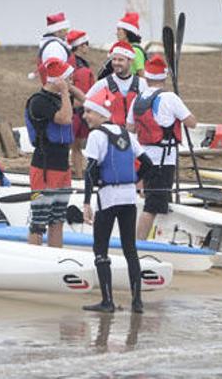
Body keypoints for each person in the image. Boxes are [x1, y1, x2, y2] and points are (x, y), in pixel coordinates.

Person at [81, 90, 153, 314]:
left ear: (102, 114)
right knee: (129, 249)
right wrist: (135, 181)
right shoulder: (127, 134)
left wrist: (86, 202)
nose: (85, 116)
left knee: (100, 248)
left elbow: (90, 171)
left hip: (109, 198)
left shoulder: (96, 136)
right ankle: (137, 302)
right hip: (128, 197)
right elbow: (148, 163)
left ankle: (107, 302)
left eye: (89, 112)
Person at [128, 55, 197, 240]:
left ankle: (159, 237)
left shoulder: (138, 98)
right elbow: (192, 123)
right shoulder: (170, 97)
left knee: (157, 201)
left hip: (144, 157)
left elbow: (130, 127)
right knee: (152, 206)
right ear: (164, 77)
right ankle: (138, 243)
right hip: (163, 160)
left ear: (147, 77)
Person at [24, 58, 74, 247]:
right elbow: (65, 118)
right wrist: (65, 91)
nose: (71, 82)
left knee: (58, 219)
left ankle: (56, 257)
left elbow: (87, 102)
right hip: (44, 166)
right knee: (39, 221)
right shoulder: (39, 101)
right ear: (58, 81)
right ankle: (35, 258)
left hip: (62, 165)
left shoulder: (61, 97)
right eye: (68, 79)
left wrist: (67, 91)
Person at [85, 42, 148, 126]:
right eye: (114, 59)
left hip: (135, 134)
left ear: (130, 61)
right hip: (112, 133)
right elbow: (87, 105)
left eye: (120, 60)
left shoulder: (142, 84)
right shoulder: (104, 84)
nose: (116, 63)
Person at [67, 29, 95, 178]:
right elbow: (80, 98)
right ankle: (78, 176)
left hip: (71, 112)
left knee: (74, 147)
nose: (88, 47)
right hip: (77, 114)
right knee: (75, 146)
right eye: (86, 44)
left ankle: (78, 175)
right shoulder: (82, 70)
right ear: (81, 46)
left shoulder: (69, 63)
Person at [34, 12, 72, 83]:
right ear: (57, 31)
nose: (67, 33)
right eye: (65, 30)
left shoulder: (51, 45)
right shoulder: (54, 47)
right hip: (57, 90)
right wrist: (64, 92)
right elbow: (56, 72)